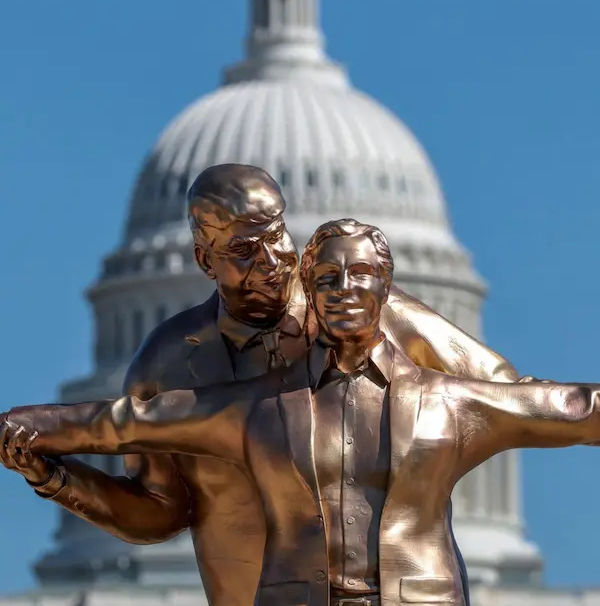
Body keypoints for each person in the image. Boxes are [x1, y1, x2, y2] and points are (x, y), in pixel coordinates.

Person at [2, 218, 599, 606]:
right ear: (307, 293)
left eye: (361, 274)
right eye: (327, 277)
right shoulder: (260, 407)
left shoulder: (452, 403)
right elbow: (127, 422)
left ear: (388, 291)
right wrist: (28, 428)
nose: (344, 288)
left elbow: (574, 407)